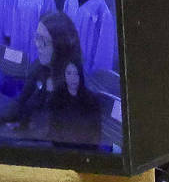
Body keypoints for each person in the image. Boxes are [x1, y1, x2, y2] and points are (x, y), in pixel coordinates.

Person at [0, 15, 104, 149]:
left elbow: (61, 144)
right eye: (37, 38)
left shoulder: (74, 84)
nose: (38, 45)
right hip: (30, 143)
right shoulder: (39, 67)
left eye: (44, 40)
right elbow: (19, 103)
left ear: (61, 45)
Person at [0, 0, 57, 97]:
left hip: (34, 49)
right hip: (18, 46)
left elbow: (51, 29)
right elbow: (12, 21)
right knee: (15, 85)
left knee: (32, 89)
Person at [59, 0, 115, 81]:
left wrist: (98, 73)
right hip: (69, 64)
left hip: (88, 67)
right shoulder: (70, 0)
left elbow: (105, 43)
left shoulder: (99, 5)